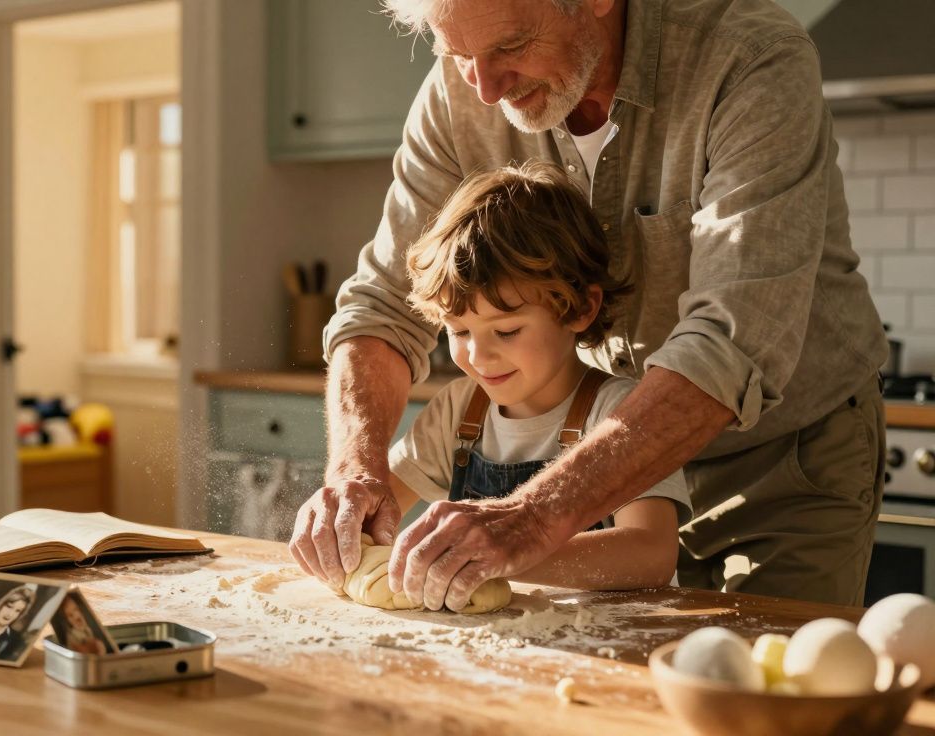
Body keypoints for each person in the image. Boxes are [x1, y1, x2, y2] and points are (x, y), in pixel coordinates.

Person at [290, 0, 887, 609]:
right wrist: (354, 471)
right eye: (458, 54)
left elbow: (729, 343)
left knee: (775, 681)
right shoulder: (460, 91)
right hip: (597, 476)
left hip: (781, 461)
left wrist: (531, 515)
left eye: (510, 46)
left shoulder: (748, 59)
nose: (486, 89)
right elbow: (382, 305)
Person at [389, 162, 689, 601]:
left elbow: (652, 554)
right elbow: (380, 510)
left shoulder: (619, 413)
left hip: (601, 646)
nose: (478, 356)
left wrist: (506, 553)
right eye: (459, 331)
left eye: (506, 331)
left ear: (581, 308)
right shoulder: (459, 410)